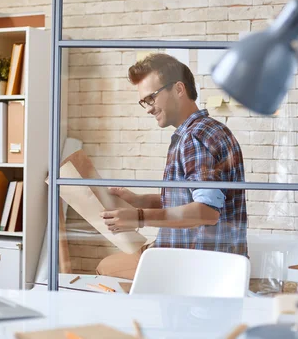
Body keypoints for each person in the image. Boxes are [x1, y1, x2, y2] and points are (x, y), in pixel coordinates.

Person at [96, 53, 248, 279]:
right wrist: (141, 201)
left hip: (194, 267)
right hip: (201, 261)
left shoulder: (195, 137)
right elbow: (196, 197)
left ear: (178, 89)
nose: (148, 108)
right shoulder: (209, 130)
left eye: (152, 98)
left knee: (106, 271)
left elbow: (206, 213)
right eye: (144, 102)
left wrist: (139, 216)